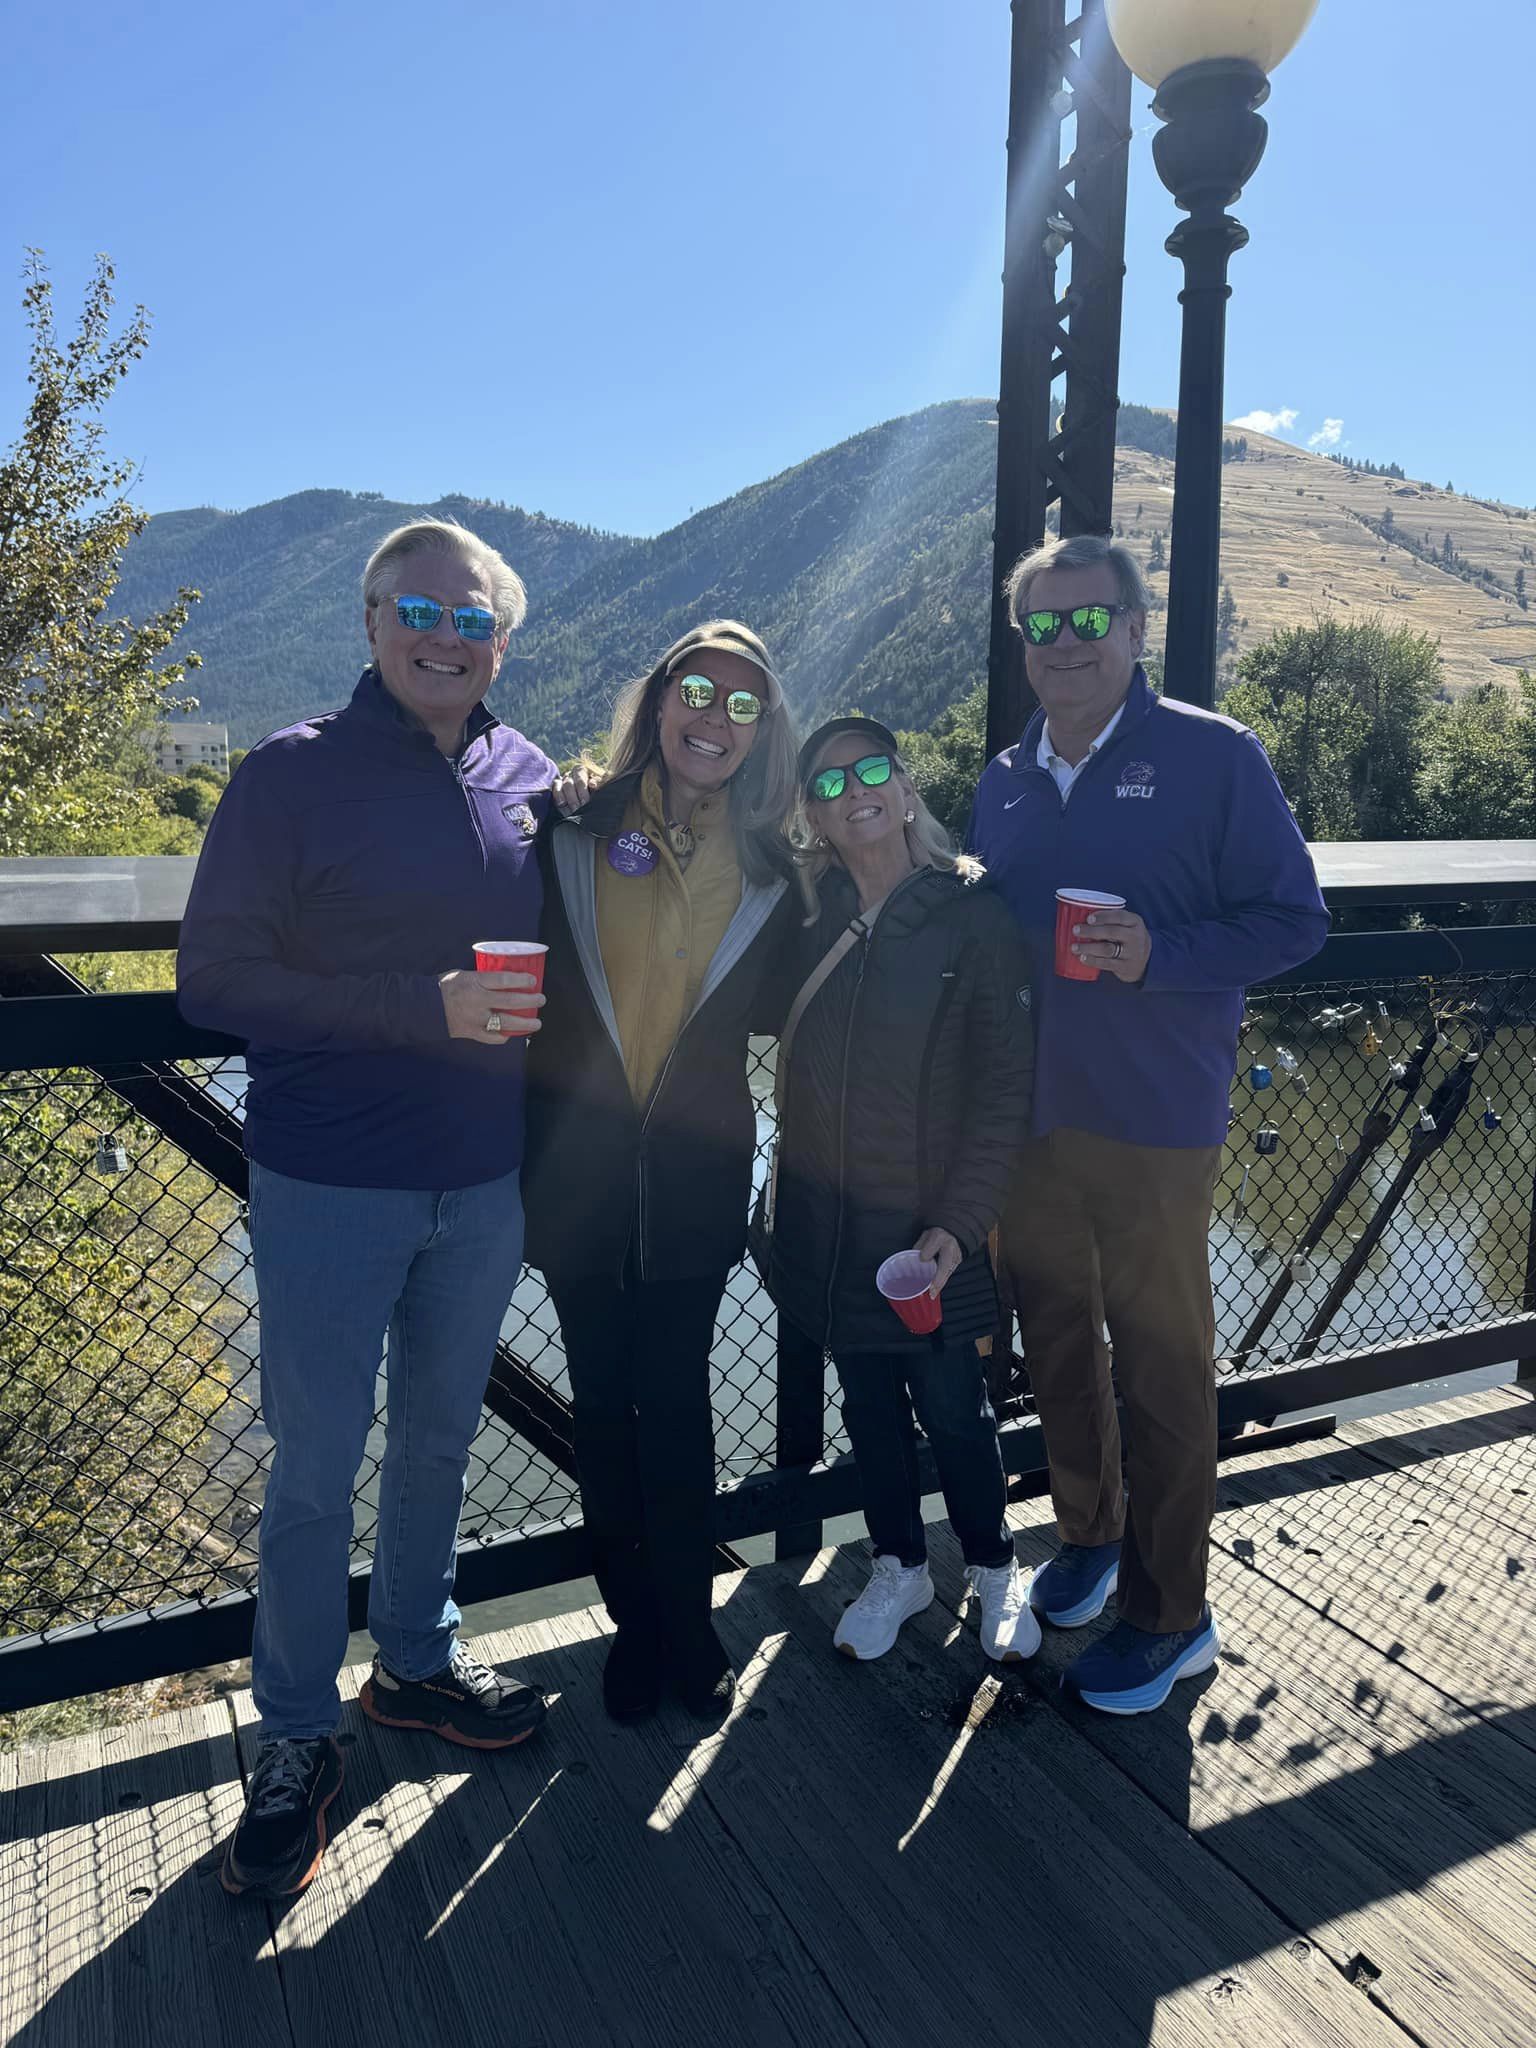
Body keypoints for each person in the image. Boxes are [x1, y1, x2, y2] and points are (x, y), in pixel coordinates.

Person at [178, 519, 553, 1900]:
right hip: (330, 1183)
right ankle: (294, 1730)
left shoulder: (531, 777)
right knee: (313, 1467)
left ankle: (414, 1661)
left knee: (440, 1441)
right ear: (373, 621)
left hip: (483, 1178)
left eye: (472, 619)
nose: (445, 638)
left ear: (501, 641)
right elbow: (215, 980)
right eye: (420, 611)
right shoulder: (289, 773)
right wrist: (421, 1007)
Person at [969, 532, 1329, 1716]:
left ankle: (1175, 1614)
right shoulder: (1004, 777)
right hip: (1033, 1122)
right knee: (1059, 1349)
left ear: (1135, 628)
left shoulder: (1213, 753)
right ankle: (1092, 1533)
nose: (1066, 643)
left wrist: (1158, 953)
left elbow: (1294, 919)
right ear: (1023, 642)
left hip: (1156, 1123)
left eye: (1090, 620)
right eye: (1044, 624)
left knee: (1165, 1368)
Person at [522, 621, 800, 1723]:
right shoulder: (572, 822)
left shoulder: (777, 865)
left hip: (694, 1177)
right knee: (602, 1408)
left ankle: (690, 1623)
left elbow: (847, 963)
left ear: (763, 732)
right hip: (575, 1174)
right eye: (698, 691)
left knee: (677, 1406)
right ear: (660, 699)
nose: (716, 718)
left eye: (744, 704)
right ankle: (634, 1629)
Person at [764, 718, 1039, 1665]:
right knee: (869, 1413)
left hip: (928, 1232)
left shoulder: (973, 912)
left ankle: (995, 1565)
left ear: (908, 787)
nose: (855, 791)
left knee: (957, 1409)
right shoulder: (807, 915)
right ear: (812, 815)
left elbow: (1004, 1089)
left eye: (872, 769)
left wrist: (962, 1222)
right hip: (832, 1228)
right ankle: (900, 1566)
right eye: (829, 783)